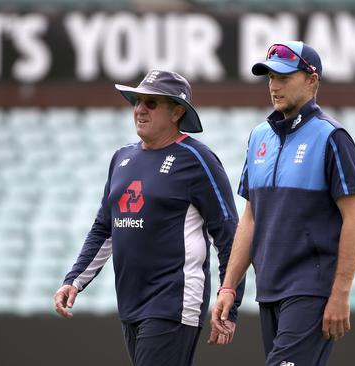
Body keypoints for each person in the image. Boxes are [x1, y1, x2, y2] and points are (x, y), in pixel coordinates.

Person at [54, 70, 245, 366]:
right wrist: (74, 281)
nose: (140, 109)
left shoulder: (197, 159)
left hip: (174, 300)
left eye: (152, 103)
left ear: (177, 112)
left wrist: (230, 299)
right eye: (137, 101)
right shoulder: (121, 158)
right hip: (130, 302)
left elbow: (228, 233)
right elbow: (104, 228)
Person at [209, 41, 355, 366]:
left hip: (311, 289)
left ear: (312, 80)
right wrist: (228, 287)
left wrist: (340, 292)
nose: (274, 85)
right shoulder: (258, 138)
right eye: (269, 77)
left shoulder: (332, 137)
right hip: (269, 289)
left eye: (283, 76)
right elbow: (251, 218)